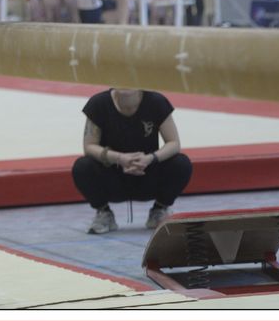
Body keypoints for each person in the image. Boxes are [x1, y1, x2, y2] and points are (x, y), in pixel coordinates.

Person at [72, 87, 193, 233]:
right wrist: (119, 158)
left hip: (146, 174)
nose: (125, 85)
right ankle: (104, 212)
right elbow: (89, 146)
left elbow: (174, 143)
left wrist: (149, 159)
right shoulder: (99, 103)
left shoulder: (156, 102)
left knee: (181, 163)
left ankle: (159, 209)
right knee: (82, 166)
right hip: (113, 177)